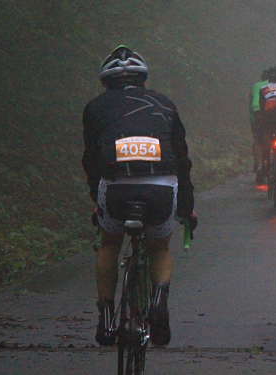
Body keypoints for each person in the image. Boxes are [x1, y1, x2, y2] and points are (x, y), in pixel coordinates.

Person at [82, 45, 197, 347]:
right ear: (143, 80)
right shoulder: (164, 104)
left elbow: (92, 162)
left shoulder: (95, 108)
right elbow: (182, 161)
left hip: (116, 187)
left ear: (105, 83)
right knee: (159, 249)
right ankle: (158, 301)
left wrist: (99, 201)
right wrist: (187, 207)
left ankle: (106, 320)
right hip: (160, 186)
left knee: (109, 244)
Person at [259, 66, 276, 169]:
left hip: (269, 116)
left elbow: (262, 107)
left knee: (267, 135)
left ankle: (265, 158)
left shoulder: (264, 88)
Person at [249, 69, 270, 184]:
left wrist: (255, 116)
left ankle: (259, 165)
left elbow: (254, 103)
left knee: (257, 140)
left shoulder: (257, 86)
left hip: (259, 117)